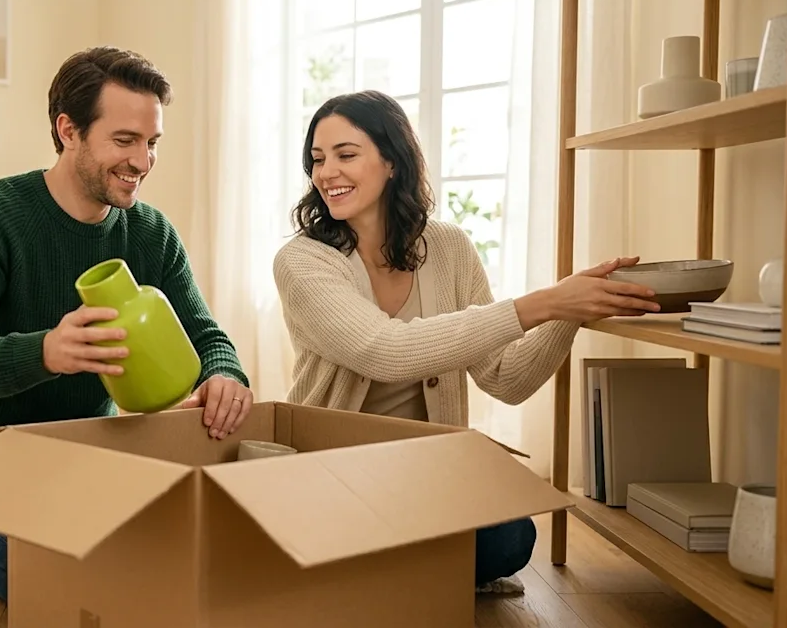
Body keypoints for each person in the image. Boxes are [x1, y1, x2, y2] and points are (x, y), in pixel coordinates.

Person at [271, 90, 660, 590]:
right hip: (335, 475)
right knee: (362, 546)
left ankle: (384, 571)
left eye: (345, 155)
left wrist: (570, 309)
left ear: (392, 161)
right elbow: (384, 351)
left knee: (511, 539)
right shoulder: (302, 261)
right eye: (318, 159)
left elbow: (507, 379)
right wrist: (544, 302)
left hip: (424, 476)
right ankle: (393, 570)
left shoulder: (449, 247)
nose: (327, 173)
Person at [0, 46, 254, 601]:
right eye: (125, 140)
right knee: (68, 583)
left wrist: (224, 374)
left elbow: (205, 333)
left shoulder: (150, 233)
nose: (142, 161)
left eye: (152, 142)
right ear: (68, 130)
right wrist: (45, 352)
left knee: (172, 560)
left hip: (89, 453)